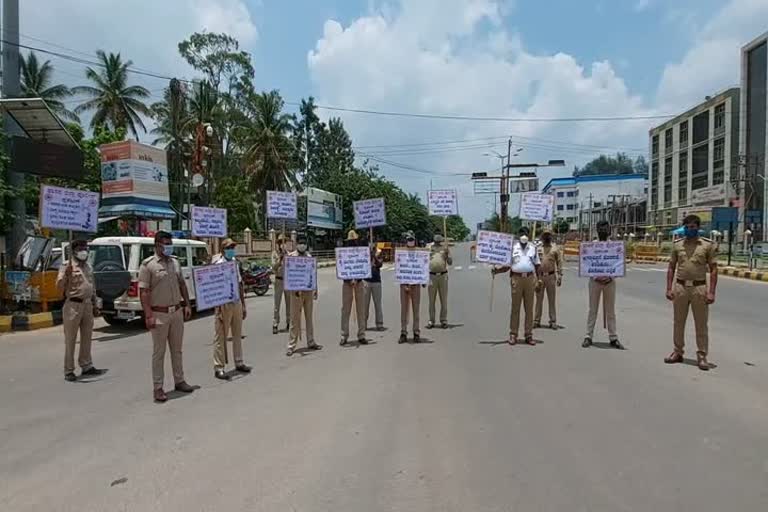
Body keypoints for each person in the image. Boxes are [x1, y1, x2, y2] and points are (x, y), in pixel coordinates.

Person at [139, 231, 195, 403]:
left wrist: (186, 304)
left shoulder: (175, 263)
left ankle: (180, 380)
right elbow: (144, 292)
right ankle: (158, 387)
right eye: (166, 243)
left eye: (170, 243)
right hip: (159, 314)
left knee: (177, 350)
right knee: (159, 352)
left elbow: (182, 284)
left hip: (176, 312)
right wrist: (148, 315)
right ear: (157, 244)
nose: (169, 246)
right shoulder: (148, 265)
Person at [664, 215, 718, 370]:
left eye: (693, 227)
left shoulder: (707, 246)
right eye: (687, 227)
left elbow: (714, 269)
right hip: (680, 288)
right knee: (678, 322)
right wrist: (669, 288)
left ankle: (702, 355)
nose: (690, 229)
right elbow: (671, 267)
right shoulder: (677, 245)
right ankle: (677, 352)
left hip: (699, 288)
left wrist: (711, 292)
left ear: (698, 228)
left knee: (701, 324)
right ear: (684, 228)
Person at [56, 239, 105, 381]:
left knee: (87, 338)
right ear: (74, 250)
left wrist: (95, 304)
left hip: (88, 305)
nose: (84, 250)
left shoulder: (88, 266)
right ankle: (69, 370)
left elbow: (92, 286)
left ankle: (86, 365)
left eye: (85, 247)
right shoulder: (67, 266)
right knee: (71, 339)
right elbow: (59, 287)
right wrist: (66, 274)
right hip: (73, 305)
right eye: (81, 247)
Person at [492, 227, 540, 345]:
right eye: (522, 233)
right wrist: (497, 271)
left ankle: (528, 334)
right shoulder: (512, 248)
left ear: (528, 235)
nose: (524, 235)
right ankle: (513, 334)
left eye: (525, 233)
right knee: (515, 308)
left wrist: (538, 280)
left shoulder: (533, 248)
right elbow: (507, 265)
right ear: (519, 235)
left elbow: (537, 264)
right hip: (516, 279)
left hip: (529, 279)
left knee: (529, 309)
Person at [211, 238, 251, 380]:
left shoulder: (234, 262)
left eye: (233, 247)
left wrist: (243, 304)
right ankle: (219, 367)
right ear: (223, 249)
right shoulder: (217, 264)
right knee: (220, 335)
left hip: (236, 302)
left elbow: (239, 283)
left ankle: (239, 361)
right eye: (229, 247)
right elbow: (213, 285)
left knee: (237, 334)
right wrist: (217, 306)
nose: (231, 249)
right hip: (223, 304)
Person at [582, 221, 624, 349]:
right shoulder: (591, 246)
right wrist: (596, 276)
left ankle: (613, 337)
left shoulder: (615, 246)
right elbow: (587, 264)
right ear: (597, 230)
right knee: (592, 309)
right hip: (595, 281)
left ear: (609, 230)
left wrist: (610, 277)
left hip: (609, 282)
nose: (603, 230)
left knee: (610, 310)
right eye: (601, 228)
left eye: (605, 228)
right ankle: (588, 336)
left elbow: (618, 265)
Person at [287, 234, 323, 357]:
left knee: (309, 318)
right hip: (296, 292)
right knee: (294, 319)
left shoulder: (309, 257)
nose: (302, 245)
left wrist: (315, 289)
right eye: (300, 243)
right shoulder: (291, 257)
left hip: (308, 291)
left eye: (304, 243)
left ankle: (311, 341)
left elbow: (313, 274)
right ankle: (291, 345)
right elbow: (289, 276)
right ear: (296, 244)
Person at [340, 230, 368, 346]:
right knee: (345, 310)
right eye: (351, 241)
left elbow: (364, 267)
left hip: (359, 283)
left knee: (361, 309)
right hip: (347, 284)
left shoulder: (361, 252)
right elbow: (341, 269)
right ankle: (344, 335)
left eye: (354, 241)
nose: (352, 243)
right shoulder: (343, 254)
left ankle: (361, 334)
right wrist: (349, 279)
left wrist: (356, 279)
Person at [534, 229, 563, 330]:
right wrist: (535, 278)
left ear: (551, 237)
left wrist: (560, 275)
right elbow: (534, 263)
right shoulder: (537, 249)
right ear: (542, 237)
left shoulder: (555, 249)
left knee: (552, 300)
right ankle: (536, 320)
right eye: (545, 235)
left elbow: (559, 262)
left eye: (548, 235)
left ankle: (553, 321)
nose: (546, 237)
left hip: (551, 277)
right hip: (540, 277)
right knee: (538, 300)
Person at [399, 231, 424, 344]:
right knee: (404, 310)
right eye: (408, 240)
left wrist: (423, 280)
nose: (410, 242)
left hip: (416, 285)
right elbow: (400, 269)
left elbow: (422, 267)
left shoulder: (419, 252)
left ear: (415, 240)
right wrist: (404, 284)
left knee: (416, 310)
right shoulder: (401, 253)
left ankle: (416, 332)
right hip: (404, 285)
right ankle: (403, 332)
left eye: (412, 240)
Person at [427, 233, 452, 329]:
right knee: (431, 300)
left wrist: (447, 255)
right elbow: (423, 261)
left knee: (443, 300)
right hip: (432, 276)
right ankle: (431, 320)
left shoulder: (445, 249)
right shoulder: (429, 248)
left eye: (439, 239)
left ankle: (443, 320)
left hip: (443, 275)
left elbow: (450, 262)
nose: (437, 240)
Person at [272, 234, 290, 334]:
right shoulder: (274, 254)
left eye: (283, 242)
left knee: (289, 303)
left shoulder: (289, 254)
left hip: (287, 281)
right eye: (280, 242)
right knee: (277, 304)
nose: (282, 244)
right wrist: (280, 259)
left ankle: (288, 321)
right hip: (278, 280)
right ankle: (275, 323)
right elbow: (273, 267)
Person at [364, 240, 385, 331]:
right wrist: (369, 254)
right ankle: (363, 324)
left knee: (378, 304)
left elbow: (380, 264)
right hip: (366, 281)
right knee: (365, 304)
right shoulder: (364, 252)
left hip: (376, 281)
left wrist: (374, 256)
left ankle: (379, 323)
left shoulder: (379, 252)